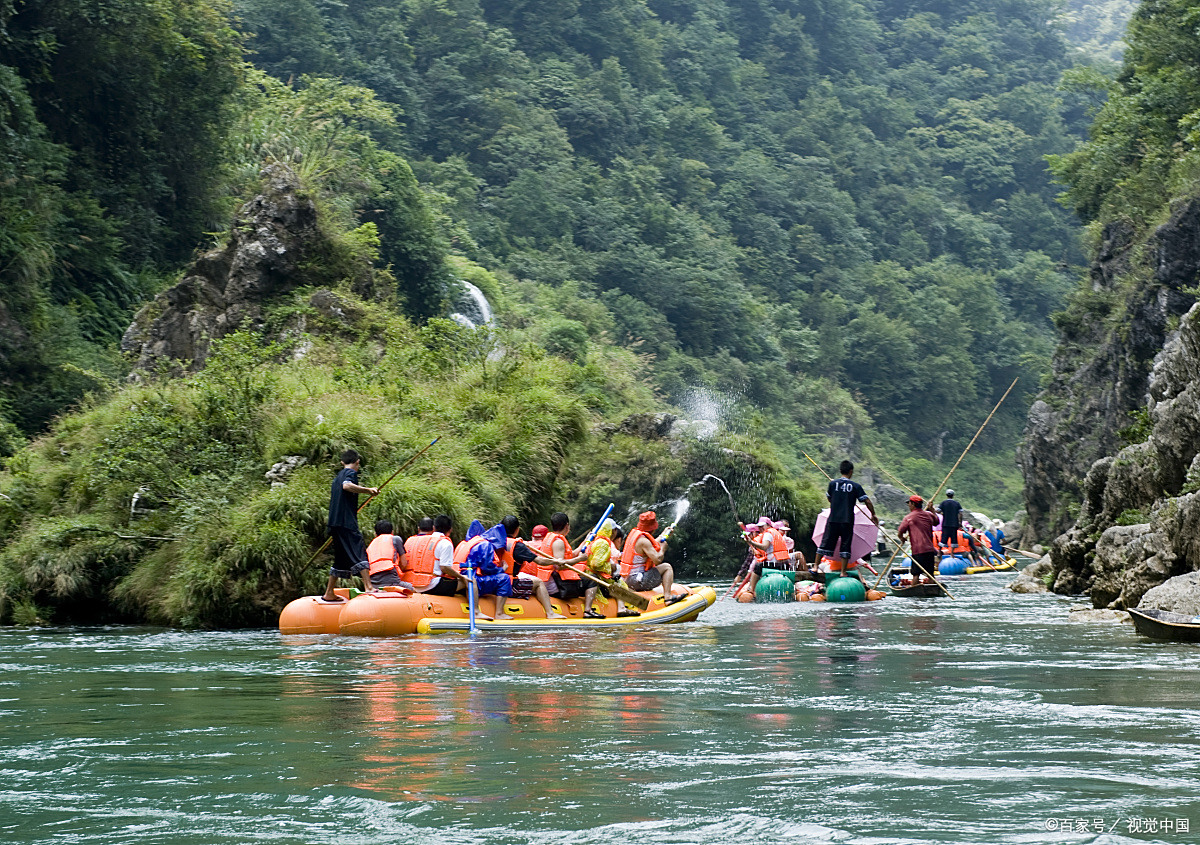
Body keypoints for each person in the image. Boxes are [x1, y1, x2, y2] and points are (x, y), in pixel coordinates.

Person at [322, 449, 379, 602]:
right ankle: (369, 587)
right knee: (358, 549)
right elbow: (347, 486)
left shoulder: (337, 477)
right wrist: (368, 490)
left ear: (342, 462)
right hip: (346, 522)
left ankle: (329, 593)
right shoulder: (350, 474)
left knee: (340, 558)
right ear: (357, 462)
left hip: (335, 522)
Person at [816, 460, 878, 576]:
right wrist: (873, 514)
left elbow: (830, 498)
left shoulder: (833, 484)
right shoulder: (855, 486)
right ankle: (843, 572)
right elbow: (867, 501)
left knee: (825, 543)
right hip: (847, 521)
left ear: (840, 471)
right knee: (845, 545)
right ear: (851, 471)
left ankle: (815, 567)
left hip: (833, 519)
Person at [497, 515, 566, 619]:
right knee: (538, 583)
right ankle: (550, 613)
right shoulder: (518, 546)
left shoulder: (495, 540)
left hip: (495, 581)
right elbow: (540, 561)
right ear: (517, 530)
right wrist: (555, 561)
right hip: (509, 585)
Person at [620, 511, 686, 604]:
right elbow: (658, 560)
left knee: (663, 567)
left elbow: (650, 545)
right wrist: (663, 549)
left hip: (627, 579)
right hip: (637, 581)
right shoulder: (643, 541)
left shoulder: (636, 535)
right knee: (667, 567)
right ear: (653, 528)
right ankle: (668, 598)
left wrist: (663, 535)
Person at [454, 520, 514, 621]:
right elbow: (487, 567)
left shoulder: (464, 544)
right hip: (473, 580)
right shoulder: (485, 545)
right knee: (504, 578)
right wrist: (502, 569)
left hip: (459, 578)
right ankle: (499, 613)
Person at [582, 519, 636, 618]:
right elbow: (596, 564)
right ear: (613, 531)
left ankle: (624, 607)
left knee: (619, 582)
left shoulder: (596, 541)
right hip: (595, 579)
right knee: (618, 584)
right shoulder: (603, 543)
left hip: (593, 576)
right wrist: (612, 567)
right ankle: (622, 609)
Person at [402, 515, 462, 597]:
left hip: (409, 582)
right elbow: (444, 567)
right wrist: (461, 577)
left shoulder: (416, 540)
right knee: (469, 582)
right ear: (450, 530)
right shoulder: (445, 543)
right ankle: (475, 609)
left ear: (433, 528)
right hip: (430, 584)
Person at [540, 512, 589, 600]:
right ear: (567, 525)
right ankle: (588, 610)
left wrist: (586, 540)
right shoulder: (558, 542)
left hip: (550, 580)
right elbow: (559, 566)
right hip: (554, 584)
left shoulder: (551, 537)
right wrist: (579, 559)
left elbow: (571, 555)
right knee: (591, 581)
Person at [896, 495, 938, 585]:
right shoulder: (929, 515)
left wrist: (902, 539)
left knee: (916, 574)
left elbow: (900, 532)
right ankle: (931, 591)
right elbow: (936, 521)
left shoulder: (909, 517)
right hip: (929, 549)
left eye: (909, 504)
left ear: (913, 504)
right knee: (930, 574)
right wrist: (932, 510)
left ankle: (915, 595)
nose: (909, 506)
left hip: (918, 550)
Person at [363, 519, 410, 591]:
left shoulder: (371, 545)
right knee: (414, 589)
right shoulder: (395, 539)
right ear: (392, 532)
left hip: (373, 583)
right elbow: (404, 564)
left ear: (375, 534)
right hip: (392, 581)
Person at [936, 490, 965, 555]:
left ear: (946, 495)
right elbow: (960, 513)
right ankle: (952, 553)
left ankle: (939, 552)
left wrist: (943, 513)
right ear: (953, 495)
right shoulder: (957, 503)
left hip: (946, 524)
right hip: (954, 525)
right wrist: (960, 522)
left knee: (943, 538)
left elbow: (937, 511)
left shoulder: (943, 503)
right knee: (954, 539)